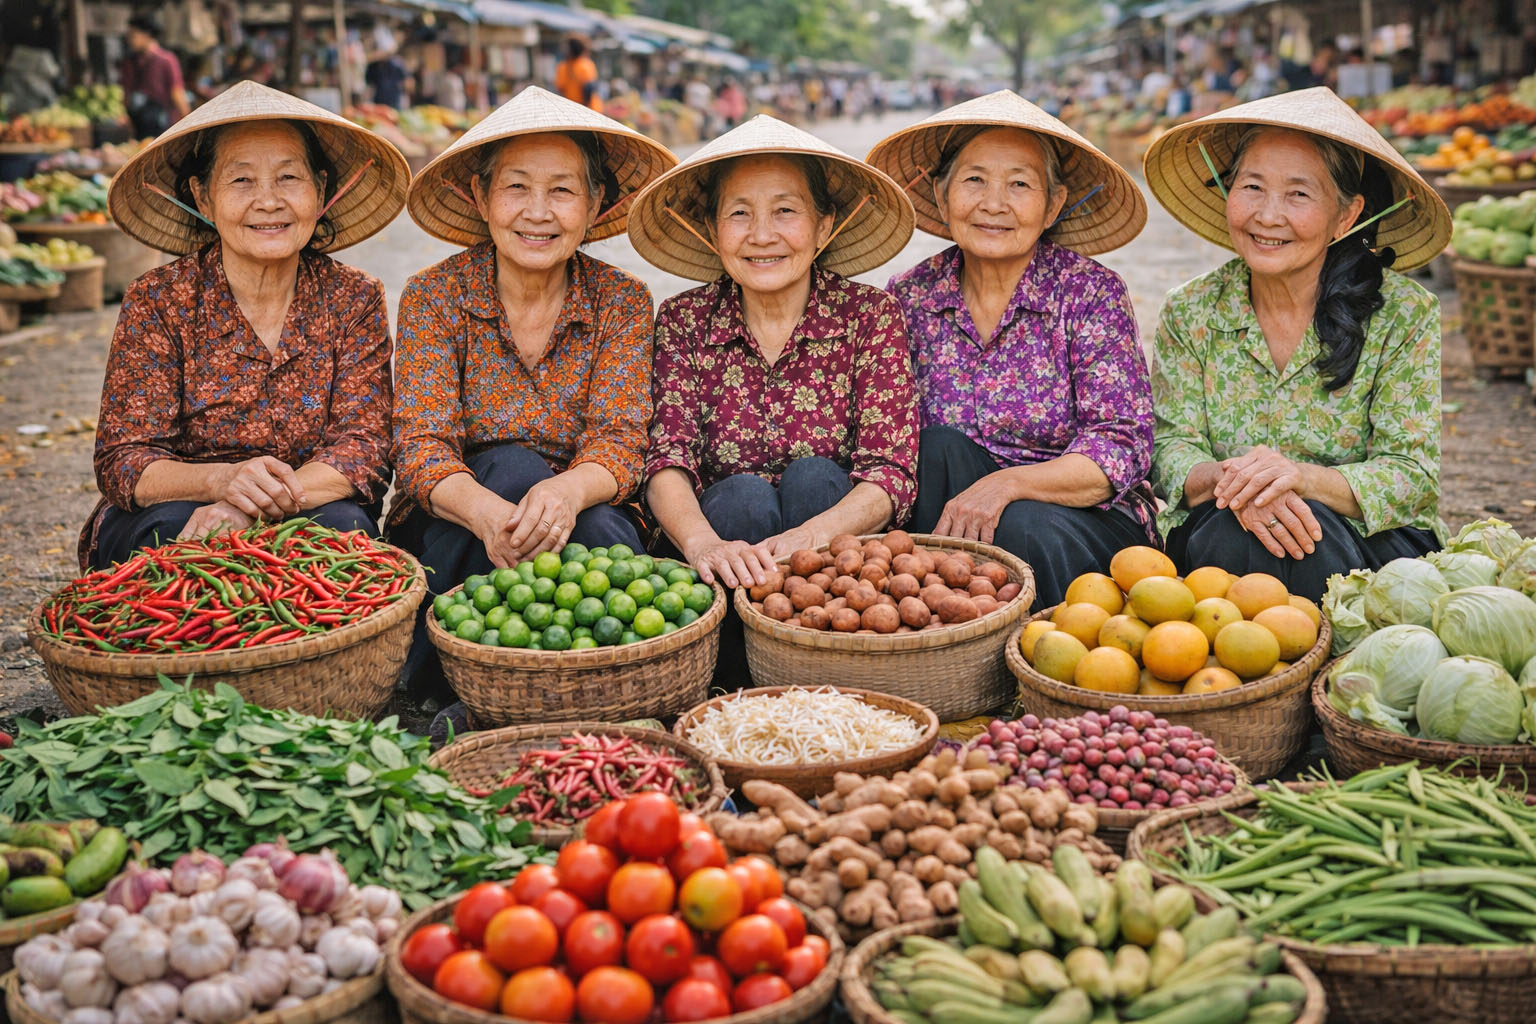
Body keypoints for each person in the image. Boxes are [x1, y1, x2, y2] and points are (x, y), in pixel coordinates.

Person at [1142, 87, 1454, 601]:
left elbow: (1412, 473)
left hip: (1363, 551)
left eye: (1298, 194)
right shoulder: (1191, 308)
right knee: (1232, 531)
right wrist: (1239, 482)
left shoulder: (1404, 314)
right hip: (1221, 534)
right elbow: (1169, 449)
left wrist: (1299, 479)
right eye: (1253, 187)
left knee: (1307, 536)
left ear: (1346, 216)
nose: (1267, 215)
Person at [84, 81, 410, 570]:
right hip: (185, 509)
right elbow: (124, 460)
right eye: (241, 181)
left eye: (288, 178)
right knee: (169, 535)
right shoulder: (158, 299)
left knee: (346, 530)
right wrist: (219, 482)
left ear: (320, 190)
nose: (268, 201)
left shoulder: (353, 297)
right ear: (203, 197)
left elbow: (363, 449)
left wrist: (247, 503)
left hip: (309, 500)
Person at [868, 90, 1156, 609]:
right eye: (974, 179)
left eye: (1019, 184)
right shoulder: (909, 295)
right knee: (934, 447)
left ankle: (1041, 665)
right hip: (952, 522)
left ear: (1053, 205)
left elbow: (1123, 445)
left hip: (1079, 519)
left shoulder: (1090, 292)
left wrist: (1007, 485)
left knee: (1023, 523)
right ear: (941, 192)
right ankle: (940, 635)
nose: (993, 203)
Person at [391, 85, 677, 594]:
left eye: (563, 191)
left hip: (584, 508)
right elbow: (420, 445)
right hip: (457, 514)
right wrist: (486, 512)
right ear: (482, 198)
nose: (538, 212)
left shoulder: (621, 299)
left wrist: (565, 492)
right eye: (517, 188)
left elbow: (621, 439)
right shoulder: (433, 295)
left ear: (594, 206)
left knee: (598, 533)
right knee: (512, 468)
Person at [627, 114, 918, 593]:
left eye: (785, 211)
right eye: (739, 213)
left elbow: (890, 471)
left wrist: (810, 539)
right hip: (722, 555)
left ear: (824, 227)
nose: (761, 235)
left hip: (839, 572)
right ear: (711, 229)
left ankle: (822, 654)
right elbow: (666, 458)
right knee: (741, 498)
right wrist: (703, 543)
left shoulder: (870, 314)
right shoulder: (683, 320)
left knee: (815, 480)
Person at [120, 15, 191, 137]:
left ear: (146, 35)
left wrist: (189, 123)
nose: (129, 40)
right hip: (139, 125)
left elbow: (177, 92)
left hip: (162, 124)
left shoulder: (166, 60)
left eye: (133, 36)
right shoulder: (130, 62)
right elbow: (125, 93)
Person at [554, 36, 602, 112]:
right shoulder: (585, 64)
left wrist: (584, 109)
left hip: (585, 108)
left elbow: (588, 88)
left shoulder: (583, 65)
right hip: (576, 109)